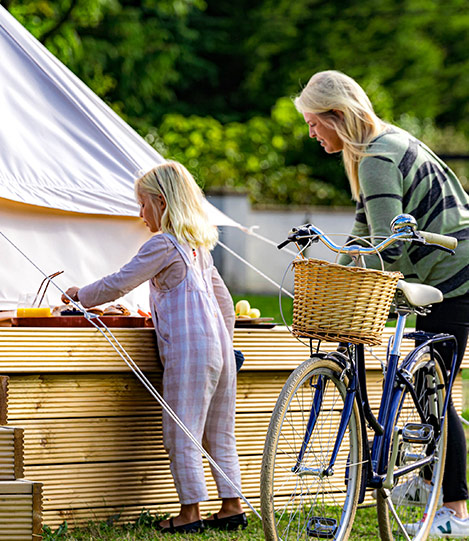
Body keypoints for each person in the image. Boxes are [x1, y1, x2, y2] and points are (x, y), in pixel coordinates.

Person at [294, 70, 469, 538]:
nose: (311, 133)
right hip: (439, 266)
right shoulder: (371, 148)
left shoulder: (376, 156)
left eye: (314, 123)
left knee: (437, 388)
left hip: (455, 274)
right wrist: (341, 269)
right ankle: (429, 476)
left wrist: (366, 280)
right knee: (426, 380)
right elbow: (363, 231)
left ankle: (456, 510)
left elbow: (387, 246)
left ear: (337, 116)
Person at [62, 161, 247, 534]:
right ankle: (231, 506)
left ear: (161, 203)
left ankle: (190, 513)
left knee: (182, 428)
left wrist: (80, 295)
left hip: (191, 350)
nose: (139, 213)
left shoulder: (163, 244)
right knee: (219, 429)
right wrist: (225, 344)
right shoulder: (197, 247)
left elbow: (119, 282)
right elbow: (224, 301)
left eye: (143, 204)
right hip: (220, 349)